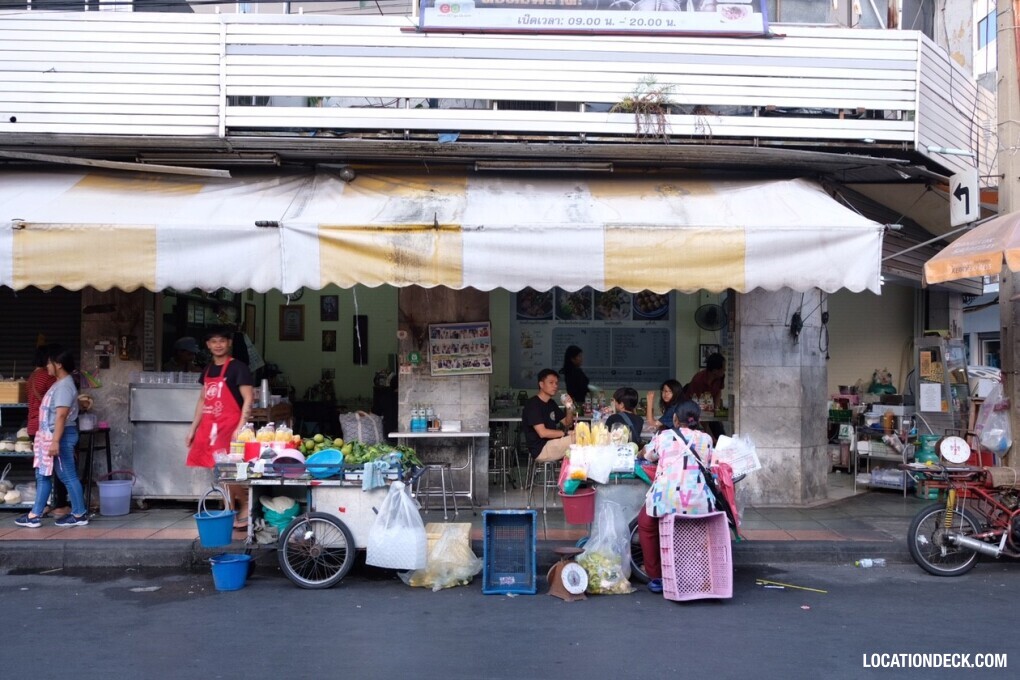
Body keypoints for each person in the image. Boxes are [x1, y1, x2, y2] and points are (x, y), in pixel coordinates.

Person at [635, 399, 715, 593]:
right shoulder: (706, 439)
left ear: (675, 419)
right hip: (698, 501)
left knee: (645, 524)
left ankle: (656, 577)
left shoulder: (663, 437)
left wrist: (640, 452)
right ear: (698, 419)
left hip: (666, 498)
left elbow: (646, 454)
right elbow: (710, 462)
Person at [185, 327, 254, 531]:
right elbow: (202, 400)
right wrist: (193, 429)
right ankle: (232, 510)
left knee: (226, 471)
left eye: (222, 341)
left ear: (229, 343)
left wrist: (240, 427)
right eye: (213, 341)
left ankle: (244, 505)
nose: (218, 345)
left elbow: (249, 398)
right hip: (210, 426)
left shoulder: (238, 368)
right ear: (208, 345)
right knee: (220, 472)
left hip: (229, 426)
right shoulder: (207, 370)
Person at [16, 346, 90, 528]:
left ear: (58, 364)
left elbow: (61, 416)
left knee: (67, 475)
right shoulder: (58, 383)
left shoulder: (65, 386)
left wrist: (55, 441)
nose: (46, 365)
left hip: (60, 437)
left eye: (49, 362)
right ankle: (34, 515)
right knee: (42, 475)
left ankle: (79, 513)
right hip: (49, 436)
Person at [27, 344, 70, 518]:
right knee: (58, 467)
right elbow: (59, 399)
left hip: (32, 426)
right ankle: (60, 504)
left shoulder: (31, 377)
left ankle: (41, 505)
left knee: (41, 468)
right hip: (46, 427)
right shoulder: (47, 377)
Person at [522, 368, 576, 463]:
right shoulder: (533, 404)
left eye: (556, 383)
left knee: (583, 438)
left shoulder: (551, 403)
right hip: (541, 449)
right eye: (551, 383)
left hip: (553, 443)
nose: (555, 386)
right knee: (581, 439)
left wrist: (569, 407)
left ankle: (575, 474)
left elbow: (568, 423)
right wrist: (567, 433)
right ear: (541, 384)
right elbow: (543, 433)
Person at [683, 352, 726, 440]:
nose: (725, 370)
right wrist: (708, 434)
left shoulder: (720, 377)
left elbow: (718, 392)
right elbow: (696, 407)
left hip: (709, 410)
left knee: (721, 435)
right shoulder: (698, 380)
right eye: (723, 369)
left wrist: (716, 411)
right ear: (715, 371)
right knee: (707, 437)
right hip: (693, 410)